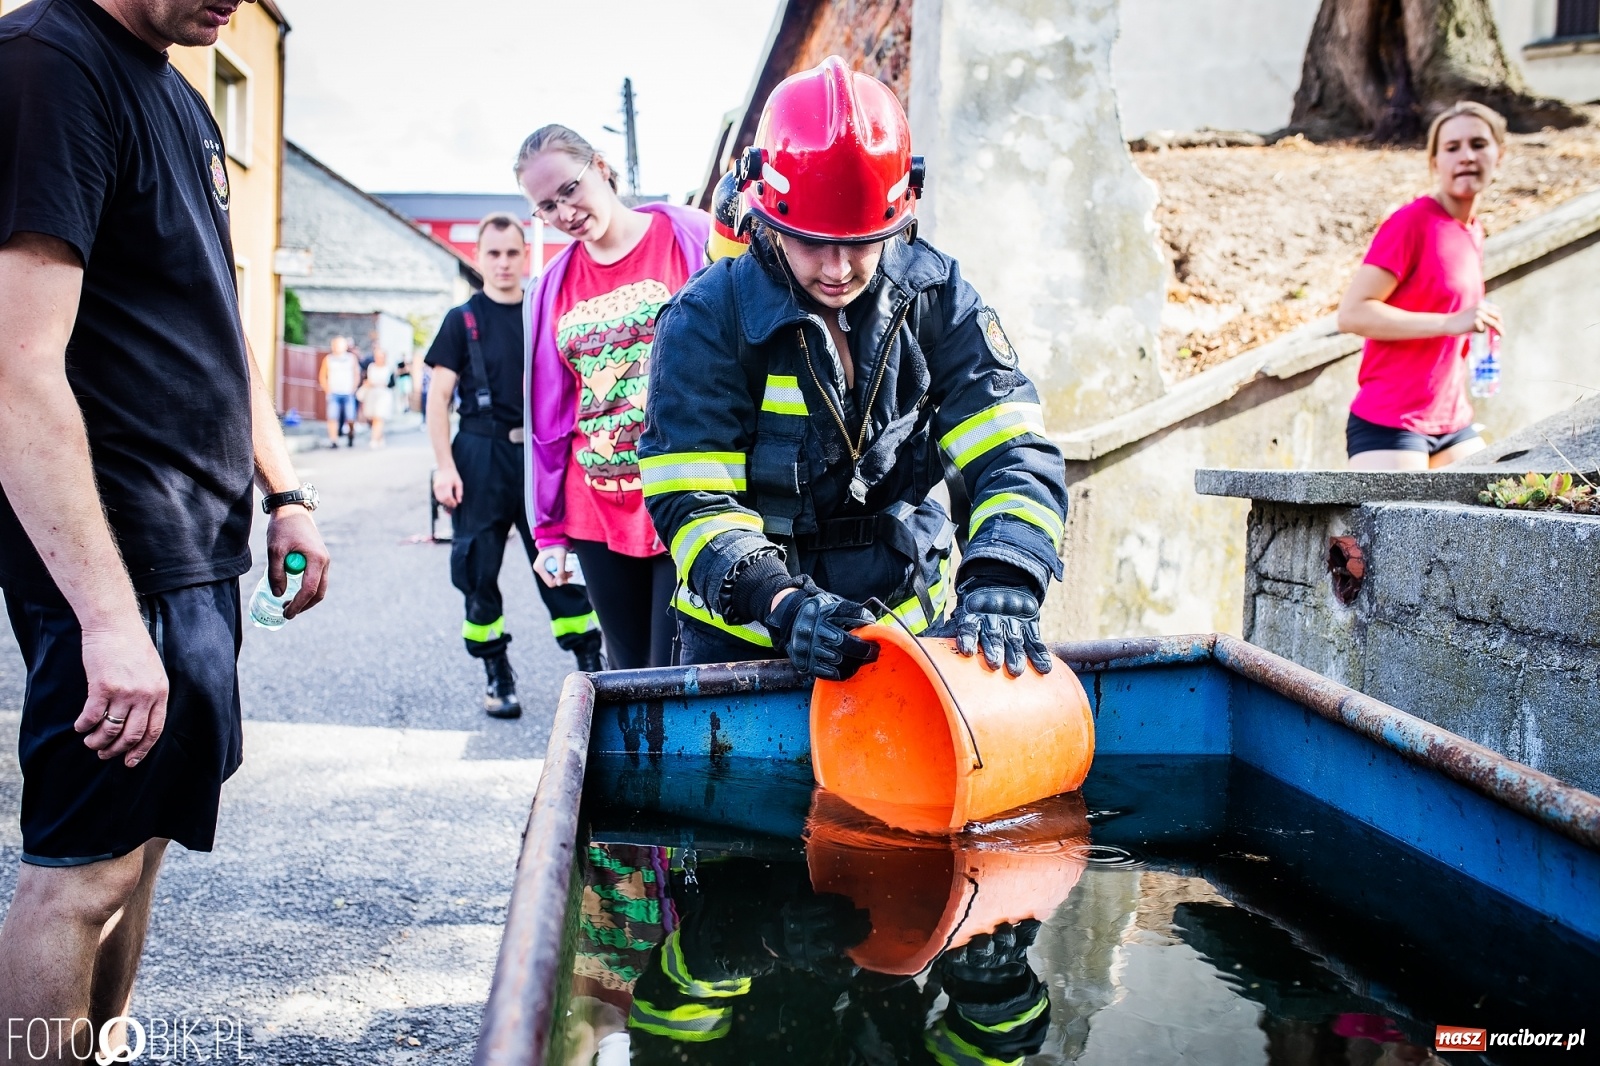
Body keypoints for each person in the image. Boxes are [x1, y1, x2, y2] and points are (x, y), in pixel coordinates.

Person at [0, 0, 330, 1055]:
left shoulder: (182, 99)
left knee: (137, 850)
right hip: (111, 548)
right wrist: (103, 616)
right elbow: (14, 372)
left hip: (194, 545)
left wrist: (286, 491)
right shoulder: (47, 65)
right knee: (80, 870)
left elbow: (215, 330)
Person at [639, 57, 1069, 681]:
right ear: (766, 215)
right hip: (747, 641)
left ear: (899, 215)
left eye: (862, 241)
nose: (838, 268)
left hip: (905, 634)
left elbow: (1012, 448)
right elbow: (693, 496)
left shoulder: (936, 298)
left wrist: (1005, 570)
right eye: (812, 240)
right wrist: (783, 605)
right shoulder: (707, 318)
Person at [515, 126, 712, 670]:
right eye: (546, 207)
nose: (564, 213)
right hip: (595, 508)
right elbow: (550, 422)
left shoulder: (689, 238)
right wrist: (549, 532)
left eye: (569, 190)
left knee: (679, 666)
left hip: (687, 497)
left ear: (600, 166)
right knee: (626, 670)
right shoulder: (551, 286)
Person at [427, 213, 604, 717]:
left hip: (540, 458)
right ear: (479, 258)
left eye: (511, 253)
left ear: (525, 255)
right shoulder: (460, 321)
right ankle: (496, 673)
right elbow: (437, 400)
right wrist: (445, 467)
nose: (503, 263)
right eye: (493, 254)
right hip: (479, 455)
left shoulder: (544, 313)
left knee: (560, 566)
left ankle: (591, 665)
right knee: (477, 570)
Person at [1336, 101, 1504, 470]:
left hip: (1453, 423)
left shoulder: (1473, 229)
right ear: (1434, 163)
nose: (1466, 156)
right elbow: (1351, 314)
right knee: (1394, 528)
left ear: (1499, 154)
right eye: (1452, 148)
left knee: (1492, 516)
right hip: (1391, 423)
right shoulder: (1410, 224)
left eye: (1478, 144)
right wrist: (1448, 322)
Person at [319, 334, 361, 449]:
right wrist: (327, 389)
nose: (337, 347)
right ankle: (334, 441)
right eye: (335, 345)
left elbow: (357, 374)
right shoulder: (328, 359)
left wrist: (353, 388)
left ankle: (351, 435)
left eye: (340, 345)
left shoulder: (351, 358)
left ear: (345, 346)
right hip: (334, 393)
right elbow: (322, 376)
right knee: (332, 417)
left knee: (351, 417)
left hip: (348, 393)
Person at [361, 345, 395, 447]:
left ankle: (374, 439)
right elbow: (366, 379)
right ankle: (380, 437)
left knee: (378, 417)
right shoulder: (371, 366)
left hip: (383, 395)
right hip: (372, 394)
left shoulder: (388, 368)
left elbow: (392, 383)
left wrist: (383, 384)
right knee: (372, 417)